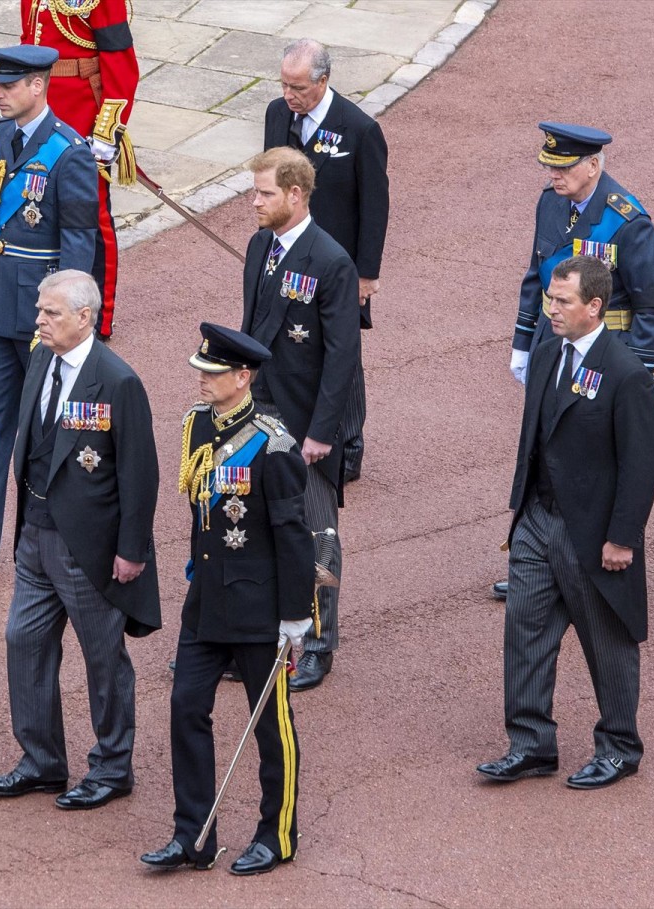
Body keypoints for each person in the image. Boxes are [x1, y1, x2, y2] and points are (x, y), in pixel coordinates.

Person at [478, 255, 654, 790]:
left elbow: (641, 464)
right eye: (549, 299)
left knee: (607, 642)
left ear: (595, 306)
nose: (550, 309)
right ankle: (531, 744)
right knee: (525, 632)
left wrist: (622, 537)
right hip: (538, 521)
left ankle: (619, 747)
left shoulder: (626, 373)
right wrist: (523, 509)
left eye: (562, 301)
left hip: (594, 533)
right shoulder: (546, 351)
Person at [0, 270, 160, 809]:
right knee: (23, 640)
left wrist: (132, 550)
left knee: (102, 658)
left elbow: (138, 473)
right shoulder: (40, 358)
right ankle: (41, 761)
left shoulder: (118, 381)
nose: (38, 320)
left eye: (50, 312)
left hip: (90, 549)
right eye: (39, 309)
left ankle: (111, 767)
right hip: (34, 534)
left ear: (84, 318)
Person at [140, 323, 313, 876]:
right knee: (186, 707)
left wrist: (296, 617)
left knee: (271, 725)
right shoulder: (195, 426)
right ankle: (194, 834)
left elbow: (292, 534)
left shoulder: (274, 442)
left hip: (261, 608)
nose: (202, 378)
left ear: (243, 378)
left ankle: (277, 834)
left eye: (213, 373)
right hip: (207, 599)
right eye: (201, 369)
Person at [493, 121, 654, 601]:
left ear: (593, 166)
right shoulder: (551, 203)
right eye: (549, 164)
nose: (553, 174)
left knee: (607, 460)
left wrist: (635, 374)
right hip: (556, 348)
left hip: (609, 357)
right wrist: (523, 343)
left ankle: (613, 563)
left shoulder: (628, 221)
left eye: (563, 166)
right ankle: (536, 561)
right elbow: (536, 275)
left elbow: (649, 308)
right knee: (544, 450)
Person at [0, 44, 98, 577]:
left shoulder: (70, 152)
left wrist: (70, 322)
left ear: (38, 86)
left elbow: (80, 243)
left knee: (51, 433)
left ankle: (56, 539)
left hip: (45, 318)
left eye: (8, 86)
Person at [240, 146, 360, 692]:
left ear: (295, 193)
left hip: (303, 422)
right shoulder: (260, 245)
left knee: (316, 535)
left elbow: (342, 359)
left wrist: (321, 433)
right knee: (251, 525)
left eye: (265, 193)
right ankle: (250, 638)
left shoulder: (331, 261)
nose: (255, 202)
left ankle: (318, 644)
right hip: (256, 412)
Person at [265, 38, 389, 484]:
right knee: (289, 337)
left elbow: (375, 206)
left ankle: (350, 443)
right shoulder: (277, 115)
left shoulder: (360, 129)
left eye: (297, 87)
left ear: (324, 80)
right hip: (288, 254)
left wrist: (367, 274)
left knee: (342, 351)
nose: (288, 95)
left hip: (338, 266)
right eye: (283, 84)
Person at [21, 0, 139, 340]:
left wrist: (105, 132)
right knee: (33, 205)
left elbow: (121, 63)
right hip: (39, 107)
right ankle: (37, 311)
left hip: (82, 113)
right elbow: (31, 39)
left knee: (91, 215)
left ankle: (99, 317)